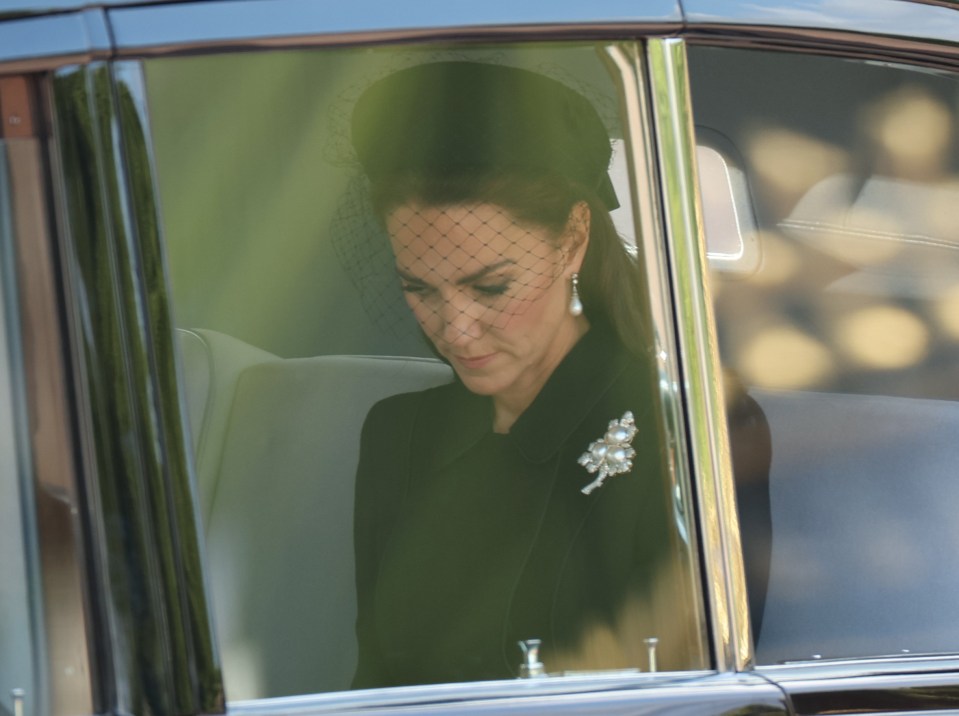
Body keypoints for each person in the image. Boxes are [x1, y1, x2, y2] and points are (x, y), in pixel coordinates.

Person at [348, 60, 729, 688]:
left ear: (572, 238)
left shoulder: (681, 433)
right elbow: (372, 681)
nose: (456, 329)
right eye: (418, 287)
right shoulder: (395, 435)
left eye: (490, 286)